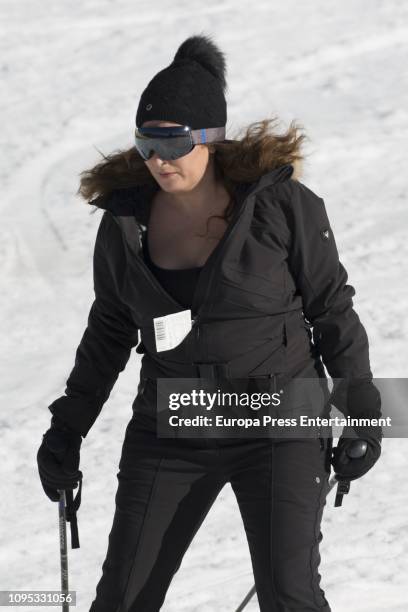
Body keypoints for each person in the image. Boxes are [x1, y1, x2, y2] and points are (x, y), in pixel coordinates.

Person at [37, 34, 383, 612]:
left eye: (171, 142)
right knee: (123, 599)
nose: (157, 159)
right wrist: (66, 431)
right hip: (172, 425)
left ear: (209, 138)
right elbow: (109, 331)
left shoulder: (284, 208)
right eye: (147, 142)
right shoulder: (126, 223)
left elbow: (332, 310)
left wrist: (366, 416)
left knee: (290, 596)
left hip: (278, 422)